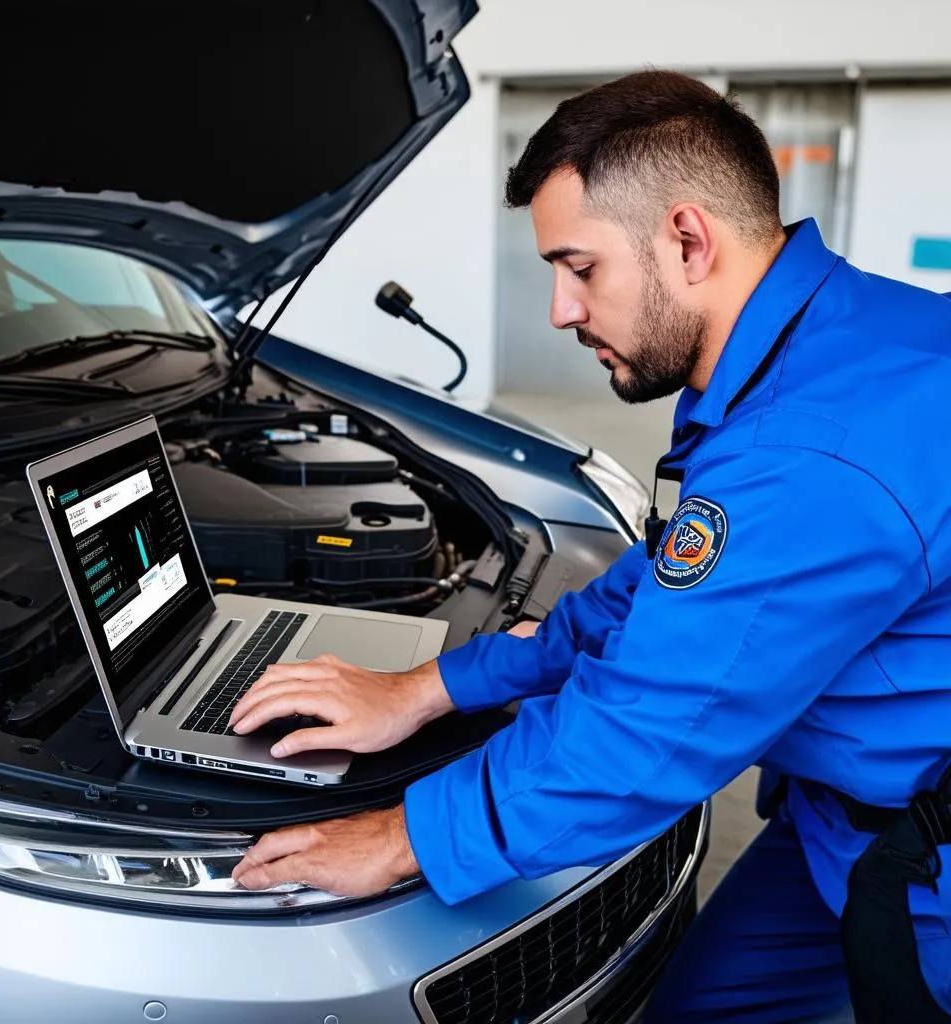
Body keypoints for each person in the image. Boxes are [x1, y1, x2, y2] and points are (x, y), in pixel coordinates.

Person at [227, 71, 951, 1022]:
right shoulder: (822, 344)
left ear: (688, 240)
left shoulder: (810, 454)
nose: (562, 310)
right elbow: (660, 589)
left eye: (580, 267)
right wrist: (432, 686)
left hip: (927, 862)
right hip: (835, 819)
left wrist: (404, 836)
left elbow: (646, 727)